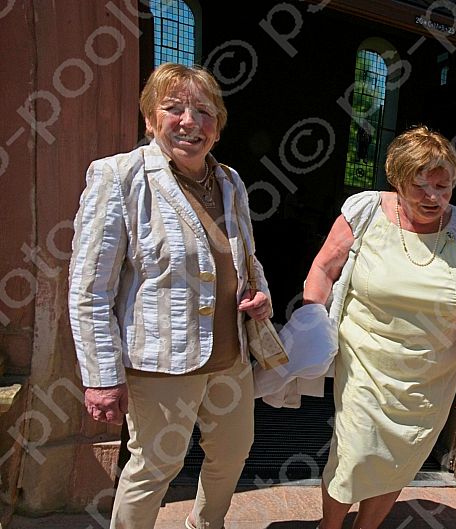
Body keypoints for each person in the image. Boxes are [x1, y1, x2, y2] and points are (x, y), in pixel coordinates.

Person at [69, 63, 272, 529]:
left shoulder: (230, 182)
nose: (190, 122)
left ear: (217, 128)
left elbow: (246, 257)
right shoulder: (119, 177)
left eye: (204, 111)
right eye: (174, 108)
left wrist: (260, 295)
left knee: (233, 453)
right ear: (149, 119)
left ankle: (206, 524)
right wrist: (101, 375)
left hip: (230, 357)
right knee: (155, 467)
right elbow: (89, 288)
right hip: (160, 361)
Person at [303, 126, 456, 529]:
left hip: (431, 375)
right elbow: (323, 268)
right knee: (354, 451)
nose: (433, 197)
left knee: (401, 456)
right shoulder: (365, 211)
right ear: (397, 179)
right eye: (421, 186)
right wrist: (311, 319)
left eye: (444, 187)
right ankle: (330, 525)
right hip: (366, 362)